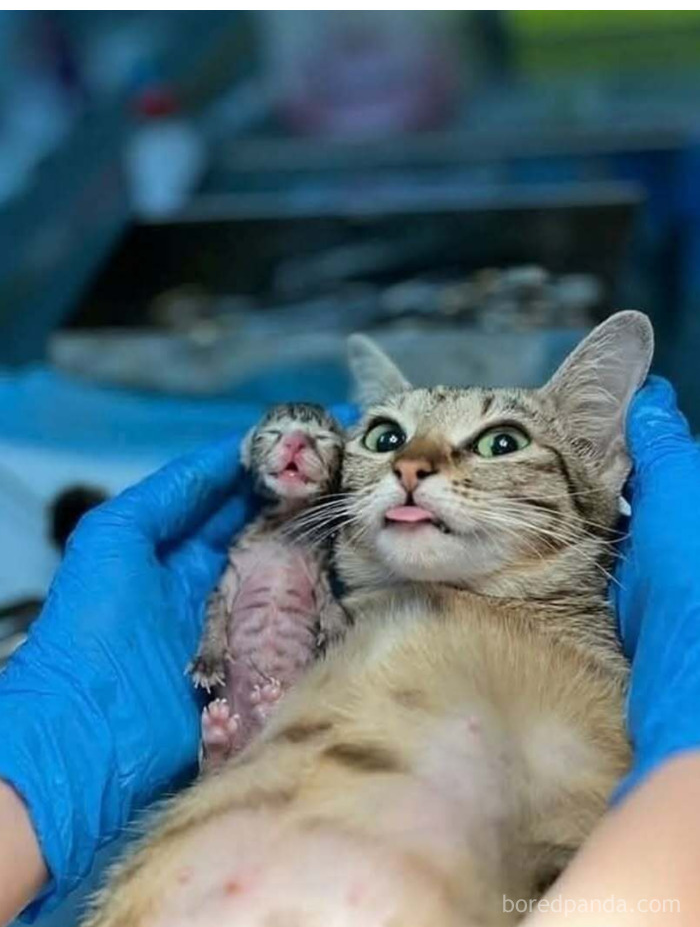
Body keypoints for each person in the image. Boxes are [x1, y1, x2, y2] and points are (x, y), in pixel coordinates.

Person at [0, 380, 698, 925]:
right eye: (386, 435)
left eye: (500, 440)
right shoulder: (311, 633)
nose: (414, 465)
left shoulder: (604, 687)